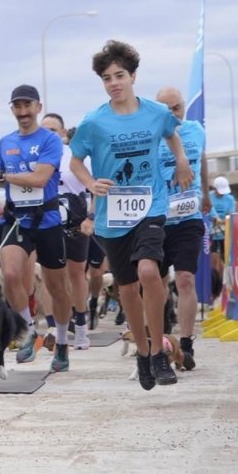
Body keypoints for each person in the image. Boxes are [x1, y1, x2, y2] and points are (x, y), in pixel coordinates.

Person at [69, 41, 193, 390]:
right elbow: (76, 161)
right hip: (112, 214)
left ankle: (158, 351)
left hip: (151, 205)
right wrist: (90, 183)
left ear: (133, 76)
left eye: (119, 75)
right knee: (126, 287)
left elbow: (172, 135)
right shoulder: (94, 121)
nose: (114, 83)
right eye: (107, 78)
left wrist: (181, 160)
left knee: (149, 271)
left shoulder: (156, 112)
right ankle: (142, 351)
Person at [0, 85, 73, 373]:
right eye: (17, 106)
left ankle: (61, 340)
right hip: (16, 219)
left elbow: (40, 179)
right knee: (9, 274)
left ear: (38, 107)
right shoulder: (5, 142)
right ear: (12, 109)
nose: (23, 112)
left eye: (27, 106)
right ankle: (29, 331)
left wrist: (3, 176)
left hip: (47, 219)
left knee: (57, 287)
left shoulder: (50, 140)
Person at [155, 87, 209, 370]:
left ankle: (186, 344)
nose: (173, 114)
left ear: (184, 106)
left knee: (185, 278)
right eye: (167, 110)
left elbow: (203, 159)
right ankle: (162, 339)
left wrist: (207, 193)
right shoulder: (151, 134)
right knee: (157, 283)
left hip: (189, 217)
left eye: (177, 108)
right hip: (158, 219)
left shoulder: (196, 130)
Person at [41, 113, 94, 350]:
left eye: (53, 130)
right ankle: (53, 327)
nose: (48, 134)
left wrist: (91, 217)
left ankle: (81, 326)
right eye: (44, 129)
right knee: (49, 274)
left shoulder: (76, 156)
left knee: (76, 272)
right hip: (47, 219)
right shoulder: (36, 157)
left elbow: (94, 188)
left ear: (63, 133)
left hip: (75, 218)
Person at [207, 176, 235, 276]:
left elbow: (231, 214)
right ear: (215, 188)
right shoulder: (208, 197)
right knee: (213, 257)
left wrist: (222, 221)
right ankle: (214, 278)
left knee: (226, 258)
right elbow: (207, 211)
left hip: (225, 232)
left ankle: (226, 278)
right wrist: (214, 218)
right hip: (211, 232)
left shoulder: (230, 199)